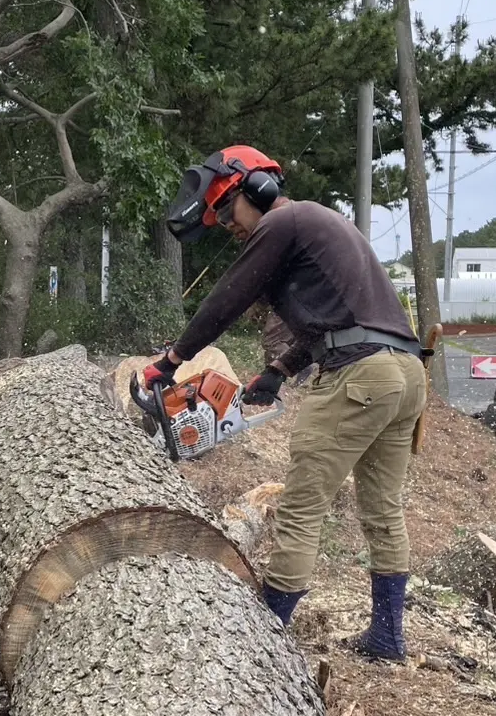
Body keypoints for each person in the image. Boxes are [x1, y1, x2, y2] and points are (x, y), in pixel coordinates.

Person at [143, 145, 427, 661]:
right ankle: (387, 638)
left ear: (257, 188)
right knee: (383, 510)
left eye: (227, 211)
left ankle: (264, 642)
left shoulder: (283, 220)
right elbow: (344, 319)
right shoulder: (316, 224)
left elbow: (227, 298)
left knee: (300, 508)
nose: (229, 226)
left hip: (359, 375)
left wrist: (173, 358)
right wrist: (278, 370)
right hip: (405, 375)